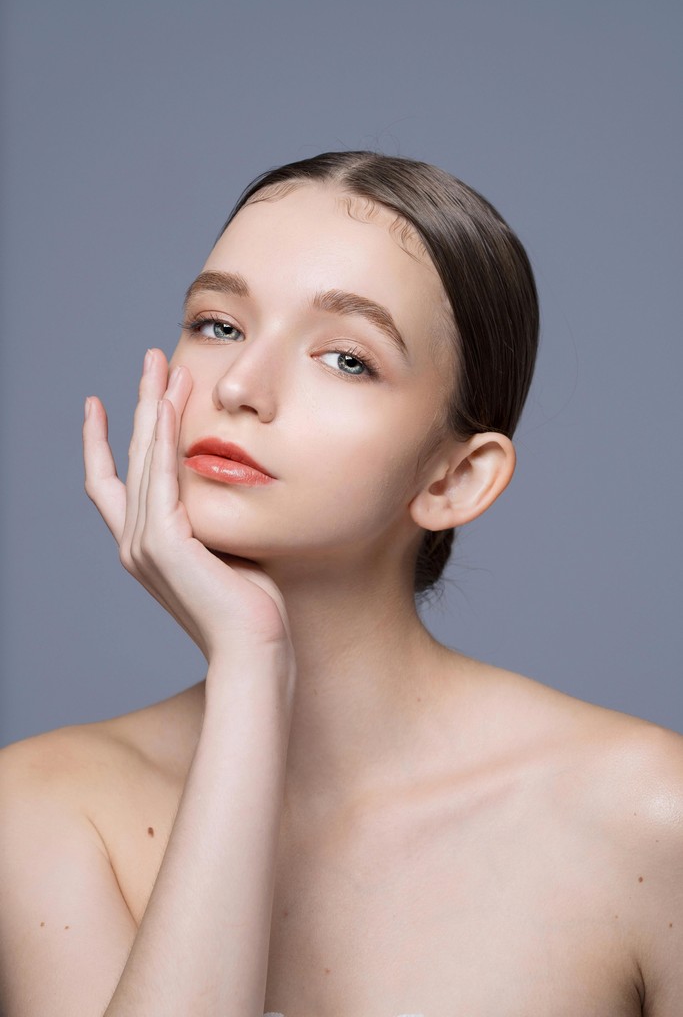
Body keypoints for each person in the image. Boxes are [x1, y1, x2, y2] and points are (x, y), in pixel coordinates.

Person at [1, 150, 681, 1016]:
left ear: (454, 479)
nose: (239, 387)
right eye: (218, 324)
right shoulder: (46, 807)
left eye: (346, 359)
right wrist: (251, 670)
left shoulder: (649, 819)